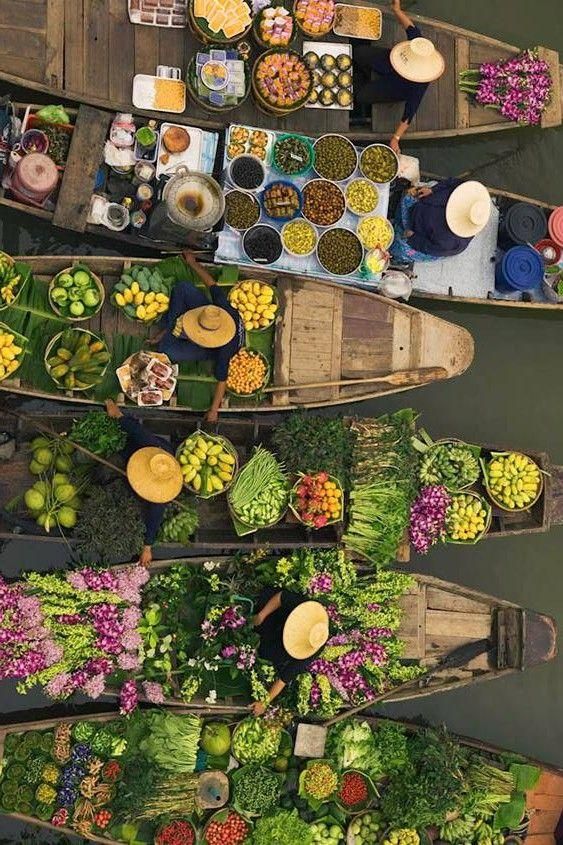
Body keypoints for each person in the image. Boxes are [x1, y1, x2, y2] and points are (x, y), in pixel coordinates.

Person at [150, 251, 244, 422]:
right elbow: (211, 283)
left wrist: (214, 410)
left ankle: (171, 328)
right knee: (183, 288)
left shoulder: (225, 350)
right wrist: (192, 262)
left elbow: (222, 380)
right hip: (211, 318)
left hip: (211, 350)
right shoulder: (222, 309)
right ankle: (171, 327)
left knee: (166, 350)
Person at [353, 0, 445, 154]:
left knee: (361, 96)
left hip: (395, 87)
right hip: (388, 62)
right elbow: (410, 27)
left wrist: (395, 138)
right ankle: (365, 71)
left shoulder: (419, 84)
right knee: (359, 53)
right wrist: (397, 10)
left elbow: (409, 114)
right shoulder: (417, 46)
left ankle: (363, 80)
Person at [105, 399, 183, 568]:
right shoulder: (149, 445)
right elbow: (136, 430)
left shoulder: (160, 494)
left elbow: (154, 519)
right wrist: (117, 415)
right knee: (105, 469)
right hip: (135, 451)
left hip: (155, 459)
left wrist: (147, 547)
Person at [249, 588, 329, 716]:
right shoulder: (308, 611)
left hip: (276, 645)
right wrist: (261, 616)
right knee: (259, 615)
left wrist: (264, 702)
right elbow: (282, 597)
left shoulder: (310, 649)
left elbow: (284, 678)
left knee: (267, 652)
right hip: (277, 615)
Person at [390, 179, 492, 262]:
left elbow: (428, 247)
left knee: (400, 247)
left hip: (418, 231)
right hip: (423, 203)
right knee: (406, 198)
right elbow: (452, 182)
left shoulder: (452, 243)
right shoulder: (469, 191)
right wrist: (433, 190)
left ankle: (396, 258)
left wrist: (413, 237)